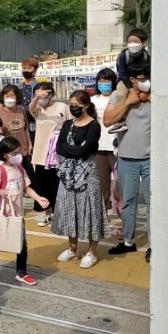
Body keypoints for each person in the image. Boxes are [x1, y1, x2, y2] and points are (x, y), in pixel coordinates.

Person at [51, 90, 106, 269]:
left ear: (86, 105)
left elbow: (86, 150)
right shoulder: (68, 124)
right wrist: (75, 150)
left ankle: (92, 252)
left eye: (77, 105)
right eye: (71, 104)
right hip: (68, 174)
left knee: (91, 209)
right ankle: (72, 247)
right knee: (69, 208)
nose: (73, 107)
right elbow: (59, 147)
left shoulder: (93, 125)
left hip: (88, 174)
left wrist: (71, 149)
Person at [104, 59, 152, 261]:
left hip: (151, 159)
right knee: (128, 202)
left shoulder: (155, 94)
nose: (145, 81)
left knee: (152, 203)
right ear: (132, 79)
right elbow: (107, 120)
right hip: (127, 158)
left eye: (148, 77)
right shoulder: (119, 95)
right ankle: (128, 242)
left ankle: (154, 245)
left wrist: (149, 97)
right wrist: (128, 102)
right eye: (141, 78)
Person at [0, 137, 49, 285]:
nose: (18, 156)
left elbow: (26, 187)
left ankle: (21, 272)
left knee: (21, 244)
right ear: (5, 154)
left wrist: (38, 198)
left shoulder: (20, 169)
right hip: (2, 215)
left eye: (19, 152)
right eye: (14, 153)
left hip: (18, 215)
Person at [29, 81, 71, 227]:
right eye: (37, 95)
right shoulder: (38, 108)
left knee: (57, 183)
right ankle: (45, 213)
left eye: (43, 94)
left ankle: (58, 213)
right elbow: (31, 108)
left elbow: (70, 124)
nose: (41, 98)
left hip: (58, 152)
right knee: (42, 184)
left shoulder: (62, 107)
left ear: (50, 93)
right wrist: (37, 98)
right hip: (42, 153)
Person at [92, 68, 118, 210]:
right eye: (101, 81)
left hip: (116, 147)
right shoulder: (93, 100)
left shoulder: (119, 98)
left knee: (120, 182)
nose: (104, 84)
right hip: (99, 147)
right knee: (102, 183)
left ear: (113, 82)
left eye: (107, 81)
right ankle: (104, 212)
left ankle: (120, 210)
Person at [0, 84, 32, 157]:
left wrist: (29, 143)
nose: (9, 98)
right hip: (7, 151)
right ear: (3, 97)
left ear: (17, 97)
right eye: (7, 96)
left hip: (22, 149)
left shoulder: (21, 110)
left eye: (12, 96)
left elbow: (26, 129)